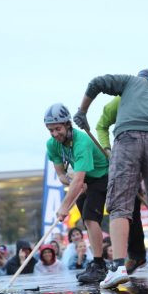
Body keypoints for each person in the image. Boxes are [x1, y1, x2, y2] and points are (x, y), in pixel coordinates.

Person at [73, 61, 148, 288]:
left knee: (120, 204)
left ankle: (119, 267)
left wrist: (82, 110)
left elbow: (97, 83)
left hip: (127, 139)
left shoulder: (133, 82)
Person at [44, 103, 108, 284]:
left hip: (102, 175)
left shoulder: (82, 142)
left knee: (90, 217)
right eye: (51, 130)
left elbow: (79, 179)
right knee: (87, 221)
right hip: (83, 179)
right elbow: (62, 176)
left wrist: (64, 206)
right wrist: (73, 183)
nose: (55, 134)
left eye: (58, 129)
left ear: (67, 124)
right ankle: (97, 262)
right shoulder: (52, 144)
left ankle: (99, 265)